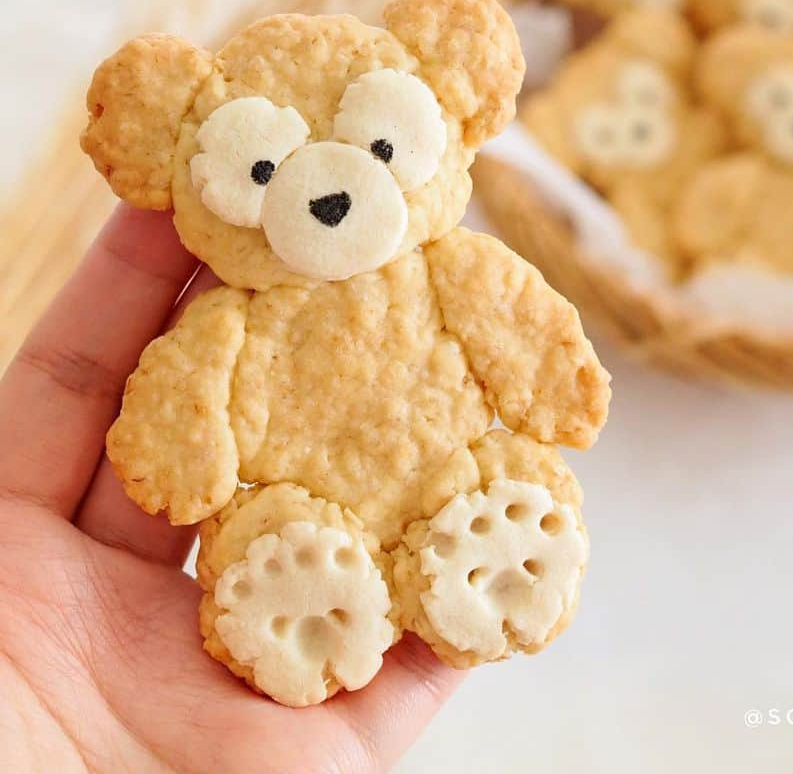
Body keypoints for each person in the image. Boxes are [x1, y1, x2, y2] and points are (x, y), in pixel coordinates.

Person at [0, 206, 460, 771]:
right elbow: (191, 373)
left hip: (432, 466)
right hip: (278, 512)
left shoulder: (447, 268)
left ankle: (482, 519)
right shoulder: (230, 312)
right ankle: (286, 583)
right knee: (266, 542)